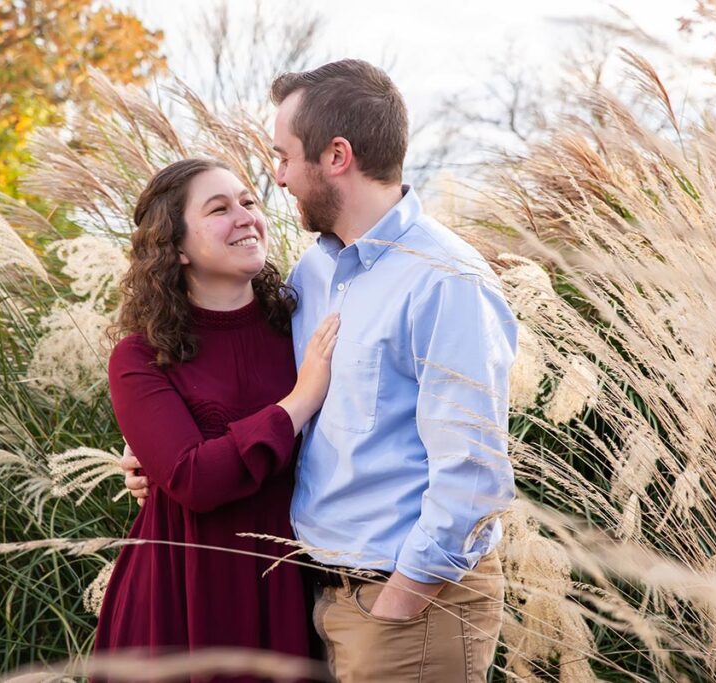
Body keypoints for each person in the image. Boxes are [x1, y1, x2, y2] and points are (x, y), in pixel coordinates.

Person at [123, 59, 518, 682]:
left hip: (401, 607)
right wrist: (159, 451)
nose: (277, 181)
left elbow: (473, 475)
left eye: (283, 158)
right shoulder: (314, 276)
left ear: (336, 156)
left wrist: (399, 604)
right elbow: (260, 402)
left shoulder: (446, 280)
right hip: (314, 596)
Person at [97, 157, 339, 681]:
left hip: (288, 589)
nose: (245, 216)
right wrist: (300, 401)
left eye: (249, 202)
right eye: (219, 209)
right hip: (178, 595)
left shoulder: (302, 327)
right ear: (176, 246)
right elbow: (192, 479)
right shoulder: (141, 356)